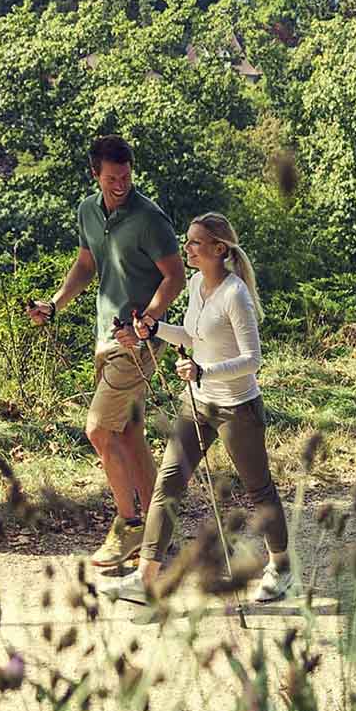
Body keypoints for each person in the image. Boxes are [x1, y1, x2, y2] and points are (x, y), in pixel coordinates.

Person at [113, 212, 292, 609]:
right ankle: (146, 578)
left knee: (258, 489)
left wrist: (204, 369)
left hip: (236, 408)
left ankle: (281, 567)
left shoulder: (235, 295)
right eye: (188, 241)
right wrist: (154, 328)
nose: (188, 248)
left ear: (218, 249)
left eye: (195, 243)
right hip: (197, 403)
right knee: (169, 483)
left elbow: (253, 359)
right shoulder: (197, 284)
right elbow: (193, 335)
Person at [26, 133, 183, 569]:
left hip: (136, 343)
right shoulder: (87, 211)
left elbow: (175, 277)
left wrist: (150, 318)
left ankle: (130, 525)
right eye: (112, 177)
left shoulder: (150, 219)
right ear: (95, 174)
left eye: (127, 176)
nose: (121, 184)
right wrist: (53, 305)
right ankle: (161, 529)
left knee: (97, 429)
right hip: (104, 336)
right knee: (127, 433)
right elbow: (85, 265)